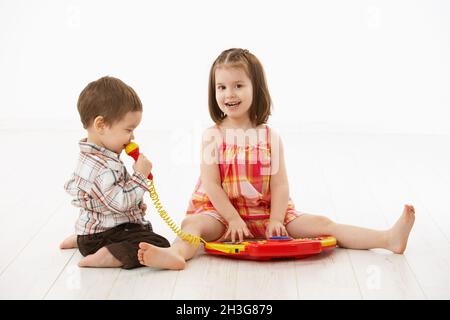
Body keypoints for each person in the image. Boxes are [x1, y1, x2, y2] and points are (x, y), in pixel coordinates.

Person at [137, 48, 416, 270]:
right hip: (221, 213)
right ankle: (175, 254)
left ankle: (387, 238)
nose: (229, 94)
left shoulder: (270, 137)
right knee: (193, 226)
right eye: (221, 88)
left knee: (322, 224)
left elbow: (281, 186)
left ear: (255, 88)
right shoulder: (213, 135)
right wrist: (233, 219)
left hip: (266, 211)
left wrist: (275, 220)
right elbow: (212, 185)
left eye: (237, 85)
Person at [60, 76, 171, 269]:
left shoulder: (95, 158)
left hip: (96, 232)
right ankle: (107, 255)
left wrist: (135, 204)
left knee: (142, 230)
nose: (132, 137)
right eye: (129, 129)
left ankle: (81, 239)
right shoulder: (102, 168)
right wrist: (140, 177)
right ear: (101, 125)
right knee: (157, 244)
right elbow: (119, 203)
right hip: (105, 236)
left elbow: (111, 197)